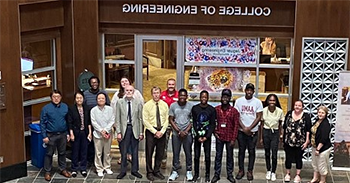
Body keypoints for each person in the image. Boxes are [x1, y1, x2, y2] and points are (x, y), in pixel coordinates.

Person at [110, 76, 144, 164]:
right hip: (121, 123)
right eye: (122, 82)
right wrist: (114, 122)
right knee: (122, 141)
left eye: (126, 81)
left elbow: (141, 105)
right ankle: (123, 156)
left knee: (132, 142)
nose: (124, 83)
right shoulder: (117, 94)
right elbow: (113, 107)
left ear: (129, 82)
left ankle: (130, 155)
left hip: (133, 123)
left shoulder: (136, 93)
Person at [40, 90, 71, 181]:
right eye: (54, 97)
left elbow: (68, 121)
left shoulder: (65, 107)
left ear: (61, 97)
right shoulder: (46, 108)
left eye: (58, 96)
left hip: (63, 134)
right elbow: (42, 123)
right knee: (49, 154)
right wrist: (44, 136)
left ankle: (63, 169)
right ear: (51, 98)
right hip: (51, 135)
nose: (56, 98)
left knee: (62, 153)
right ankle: (47, 172)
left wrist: (68, 133)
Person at [234, 83, 263, 181]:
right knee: (241, 151)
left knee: (252, 152)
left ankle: (250, 170)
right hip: (241, 131)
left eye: (251, 90)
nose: (249, 92)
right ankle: (241, 170)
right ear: (245, 90)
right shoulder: (239, 101)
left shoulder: (258, 102)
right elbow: (236, 116)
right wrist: (244, 128)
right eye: (248, 90)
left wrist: (249, 128)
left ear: (253, 91)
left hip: (253, 132)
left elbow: (259, 117)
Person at [211, 89, 240, 183]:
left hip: (229, 137)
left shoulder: (234, 111)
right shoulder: (217, 109)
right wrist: (215, 132)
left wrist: (233, 139)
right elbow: (213, 122)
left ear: (229, 98)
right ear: (221, 97)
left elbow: (236, 125)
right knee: (218, 156)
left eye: (227, 97)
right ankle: (216, 174)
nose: (225, 99)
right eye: (223, 97)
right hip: (219, 136)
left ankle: (230, 174)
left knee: (230, 156)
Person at [116, 85, 144, 179]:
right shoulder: (119, 102)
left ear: (133, 92)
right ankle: (123, 171)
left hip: (134, 129)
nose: (129, 92)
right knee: (124, 151)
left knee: (135, 151)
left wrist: (141, 132)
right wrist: (118, 132)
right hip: (124, 129)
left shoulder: (138, 102)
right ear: (124, 91)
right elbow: (117, 119)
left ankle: (135, 170)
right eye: (127, 90)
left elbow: (140, 118)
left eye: (130, 90)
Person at [143, 87, 169, 181]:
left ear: (160, 93)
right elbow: (145, 120)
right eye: (154, 93)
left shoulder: (164, 105)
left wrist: (161, 131)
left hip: (162, 131)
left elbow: (167, 119)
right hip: (151, 131)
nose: (156, 95)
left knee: (160, 153)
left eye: (157, 93)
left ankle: (156, 171)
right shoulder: (147, 105)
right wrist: (154, 132)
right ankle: (149, 172)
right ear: (152, 94)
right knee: (149, 153)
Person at [282, 100, 311, 183]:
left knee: (299, 158)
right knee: (288, 158)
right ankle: (288, 173)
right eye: (295, 105)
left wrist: (307, 141)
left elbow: (308, 130)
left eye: (299, 105)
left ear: (302, 107)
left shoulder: (306, 116)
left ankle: (298, 175)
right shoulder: (289, 114)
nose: (297, 107)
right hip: (288, 141)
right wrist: (283, 138)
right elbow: (284, 127)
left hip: (300, 142)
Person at [83, 76, 110, 166]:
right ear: (90, 84)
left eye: (96, 82)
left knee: (102, 143)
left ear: (98, 83)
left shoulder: (103, 93)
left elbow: (108, 106)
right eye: (92, 82)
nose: (94, 84)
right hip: (90, 122)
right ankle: (91, 160)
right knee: (91, 143)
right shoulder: (86, 94)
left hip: (103, 123)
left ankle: (102, 161)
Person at [168, 88, 194, 181]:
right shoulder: (173, 105)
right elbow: (171, 119)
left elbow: (192, 120)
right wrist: (178, 131)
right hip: (176, 133)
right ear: (178, 96)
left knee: (188, 153)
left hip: (188, 134)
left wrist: (186, 131)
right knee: (175, 153)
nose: (182, 97)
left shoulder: (191, 106)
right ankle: (175, 171)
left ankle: (189, 171)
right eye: (180, 95)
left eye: (184, 95)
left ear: (186, 97)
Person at [192, 90, 216, 182]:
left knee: (207, 156)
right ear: (200, 97)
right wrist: (197, 136)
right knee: (196, 156)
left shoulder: (211, 109)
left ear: (208, 98)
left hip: (207, 137)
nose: (204, 99)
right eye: (202, 97)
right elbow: (194, 122)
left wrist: (207, 136)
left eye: (205, 97)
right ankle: (196, 174)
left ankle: (207, 175)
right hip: (197, 136)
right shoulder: (195, 108)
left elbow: (212, 124)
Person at [259, 94, 284, 182]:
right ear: (267, 101)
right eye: (270, 100)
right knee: (267, 153)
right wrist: (261, 137)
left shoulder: (280, 111)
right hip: (266, 131)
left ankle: (273, 171)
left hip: (275, 132)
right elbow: (261, 125)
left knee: (274, 154)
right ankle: (268, 170)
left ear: (276, 102)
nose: (272, 102)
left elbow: (281, 124)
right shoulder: (264, 110)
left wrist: (281, 135)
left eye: (273, 100)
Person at [67, 91, 92, 177]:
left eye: (80, 98)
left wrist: (90, 133)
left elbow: (88, 121)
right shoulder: (71, 108)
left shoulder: (86, 108)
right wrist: (71, 133)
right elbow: (69, 122)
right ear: (75, 99)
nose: (79, 99)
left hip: (84, 132)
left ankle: (83, 168)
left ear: (83, 98)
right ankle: (74, 168)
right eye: (77, 98)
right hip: (75, 132)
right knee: (75, 151)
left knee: (84, 151)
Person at [90, 92, 115, 177]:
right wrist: (101, 131)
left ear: (105, 99)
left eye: (103, 98)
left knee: (107, 152)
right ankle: (99, 169)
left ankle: (107, 167)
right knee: (98, 153)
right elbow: (94, 122)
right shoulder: (93, 110)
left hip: (108, 134)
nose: (101, 100)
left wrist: (106, 130)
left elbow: (112, 120)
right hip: (97, 134)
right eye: (99, 98)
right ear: (96, 100)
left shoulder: (110, 109)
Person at [309, 106, 332, 183]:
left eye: (322, 113)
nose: (320, 114)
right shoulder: (317, 121)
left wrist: (318, 149)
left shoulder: (326, 124)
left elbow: (323, 138)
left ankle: (322, 180)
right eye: (319, 112)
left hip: (322, 148)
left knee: (321, 165)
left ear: (326, 114)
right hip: (315, 146)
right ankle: (315, 178)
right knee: (315, 163)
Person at [160, 78, 178, 169]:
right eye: (169, 84)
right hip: (165, 123)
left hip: (176, 123)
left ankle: (176, 162)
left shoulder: (179, 95)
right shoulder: (162, 95)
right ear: (167, 85)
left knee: (177, 143)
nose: (171, 86)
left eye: (172, 84)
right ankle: (163, 160)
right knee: (164, 143)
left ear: (175, 85)